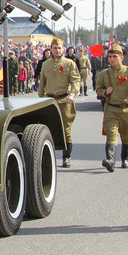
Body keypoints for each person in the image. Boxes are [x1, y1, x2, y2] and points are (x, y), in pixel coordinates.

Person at [94, 44, 128, 171]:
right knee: (111, 134)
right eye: (110, 56)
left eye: (115, 56)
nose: (112, 59)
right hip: (111, 109)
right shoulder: (104, 74)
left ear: (122, 57)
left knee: (127, 135)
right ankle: (110, 160)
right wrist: (105, 92)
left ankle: (125, 158)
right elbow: (98, 89)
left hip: (127, 109)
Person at [37, 37, 81, 167]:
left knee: (66, 129)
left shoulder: (69, 63)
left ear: (63, 49)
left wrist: (72, 95)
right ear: (51, 49)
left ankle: (66, 156)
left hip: (65, 100)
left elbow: (75, 81)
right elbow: (42, 84)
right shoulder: (45, 65)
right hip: (50, 101)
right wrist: (40, 98)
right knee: (48, 129)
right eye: (55, 48)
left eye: (59, 48)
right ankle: (48, 157)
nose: (57, 50)